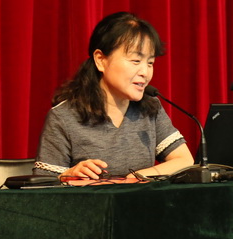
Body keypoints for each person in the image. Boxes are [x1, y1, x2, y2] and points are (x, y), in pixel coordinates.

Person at [33, 12, 194, 179]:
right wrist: (66, 175)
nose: (145, 73)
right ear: (100, 60)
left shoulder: (150, 108)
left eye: (150, 63)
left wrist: (134, 178)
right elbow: (41, 184)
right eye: (136, 61)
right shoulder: (64, 117)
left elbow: (184, 160)